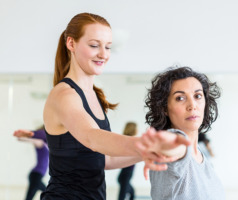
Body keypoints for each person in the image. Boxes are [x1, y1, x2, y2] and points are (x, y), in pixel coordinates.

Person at [41, 13, 190, 200]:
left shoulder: (94, 96)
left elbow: (105, 159)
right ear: (71, 44)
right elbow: (92, 138)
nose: (103, 54)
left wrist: (149, 152)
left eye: (108, 47)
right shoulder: (64, 95)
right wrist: (142, 144)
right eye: (94, 45)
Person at [142, 66, 225, 200]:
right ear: (164, 108)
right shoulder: (177, 148)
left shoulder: (200, 154)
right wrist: (163, 145)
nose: (192, 105)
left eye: (198, 96)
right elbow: (175, 147)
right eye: (180, 98)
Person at [13, 126, 49, 200]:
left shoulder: (48, 146)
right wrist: (22, 137)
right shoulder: (41, 143)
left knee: (47, 193)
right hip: (36, 174)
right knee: (46, 193)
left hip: (38, 175)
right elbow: (32, 140)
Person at [117, 122, 138, 200]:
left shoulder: (126, 139)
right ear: (133, 130)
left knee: (125, 186)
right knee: (123, 188)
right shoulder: (131, 140)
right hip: (128, 168)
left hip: (128, 168)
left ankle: (132, 195)